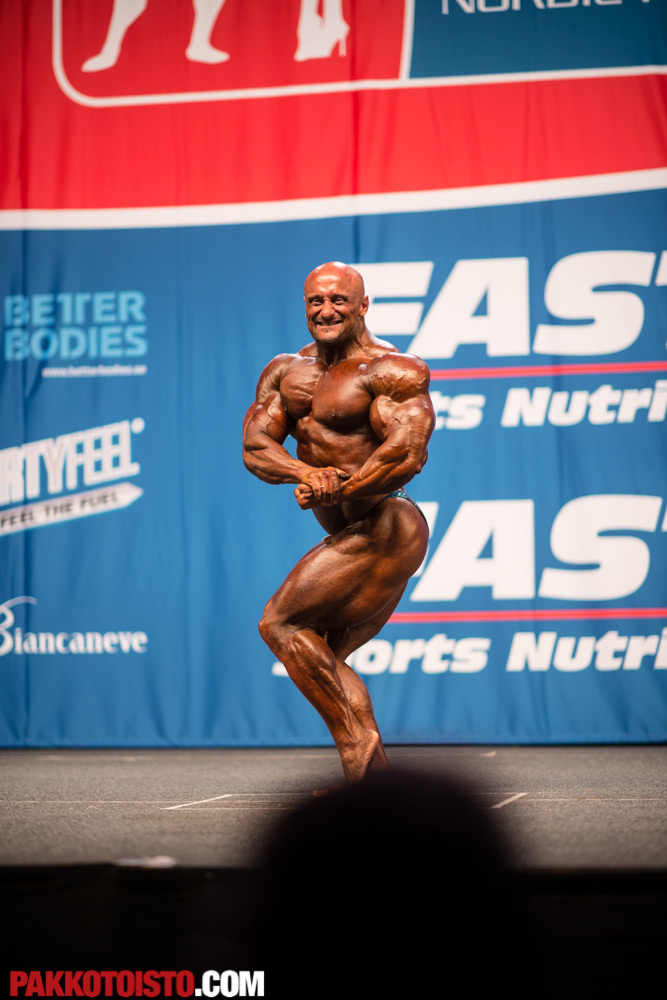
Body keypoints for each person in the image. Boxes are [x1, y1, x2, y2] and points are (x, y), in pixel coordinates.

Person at [242, 262, 435, 790]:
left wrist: (340, 489)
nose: (326, 311)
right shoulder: (286, 371)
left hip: (388, 523)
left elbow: (407, 454)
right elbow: (255, 447)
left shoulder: (392, 370)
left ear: (362, 305)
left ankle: (357, 748)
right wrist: (306, 474)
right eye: (316, 302)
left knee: (280, 624)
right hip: (352, 533)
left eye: (339, 301)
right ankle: (372, 787)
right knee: (320, 655)